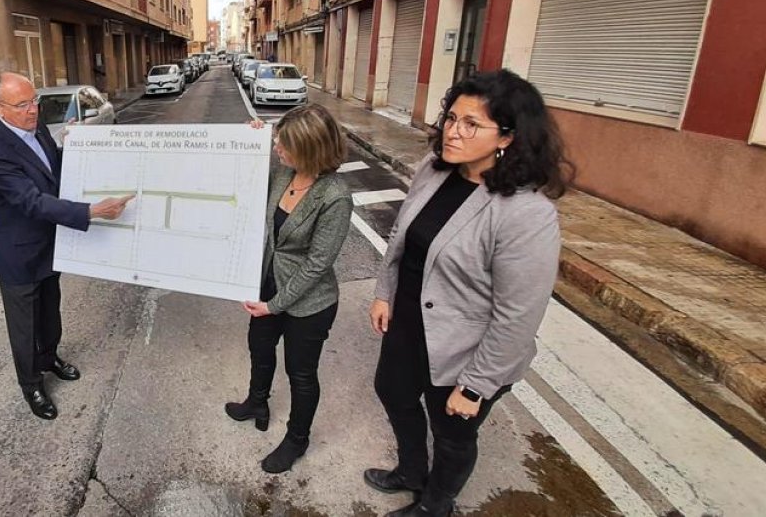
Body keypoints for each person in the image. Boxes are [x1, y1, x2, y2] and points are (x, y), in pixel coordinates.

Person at [364, 70, 570, 517]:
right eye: (451, 118)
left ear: (508, 138)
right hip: (410, 322)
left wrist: (476, 386)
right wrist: (385, 292)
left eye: (471, 124)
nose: (452, 132)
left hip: (468, 349)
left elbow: (518, 315)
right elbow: (403, 235)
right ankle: (412, 472)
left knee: (454, 432)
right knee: (393, 392)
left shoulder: (525, 214)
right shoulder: (435, 169)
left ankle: (437, 505)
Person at [0, 72, 133, 420]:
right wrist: (92, 211)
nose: (32, 110)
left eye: (34, 101)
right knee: (24, 328)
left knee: (51, 312)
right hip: (18, 255)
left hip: (50, 245)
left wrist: (78, 146)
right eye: (22, 105)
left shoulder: (39, 132)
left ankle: (49, 357)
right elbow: (32, 201)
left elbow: (55, 172)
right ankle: (31, 384)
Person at [225, 104, 353, 473]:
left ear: (311, 149)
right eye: (278, 143)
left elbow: (317, 264)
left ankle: (297, 439)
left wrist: (274, 305)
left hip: (308, 302)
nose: (278, 150)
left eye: (284, 145)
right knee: (259, 347)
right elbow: (247, 185)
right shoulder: (285, 173)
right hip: (268, 283)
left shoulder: (334, 197)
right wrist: (249, 141)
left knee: (301, 372)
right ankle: (257, 401)